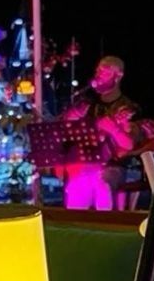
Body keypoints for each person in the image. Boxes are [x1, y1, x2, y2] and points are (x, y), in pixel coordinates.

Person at [60, 55, 142, 210]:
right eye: (98, 71)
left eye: (105, 72)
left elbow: (129, 144)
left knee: (101, 182)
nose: (98, 76)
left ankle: (105, 223)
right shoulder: (89, 105)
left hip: (115, 165)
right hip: (89, 164)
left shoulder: (128, 107)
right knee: (76, 181)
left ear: (118, 77)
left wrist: (113, 128)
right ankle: (75, 223)